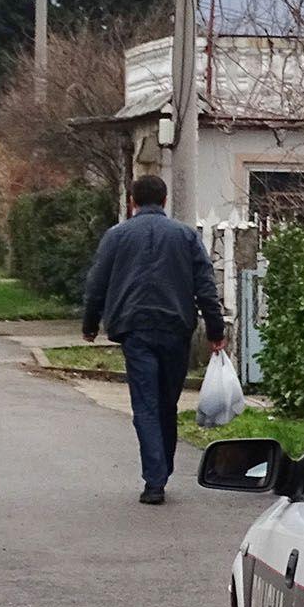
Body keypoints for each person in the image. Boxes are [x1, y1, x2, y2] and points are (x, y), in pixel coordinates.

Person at [80, 173, 227, 505]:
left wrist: (90, 324)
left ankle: (155, 479)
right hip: (176, 329)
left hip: (135, 329)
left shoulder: (116, 236)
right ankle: (163, 468)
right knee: (167, 403)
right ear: (164, 201)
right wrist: (215, 331)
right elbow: (205, 287)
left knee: (145, 403)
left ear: (132, 201)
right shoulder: (186, 236)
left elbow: (97, 283)